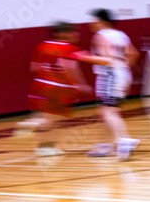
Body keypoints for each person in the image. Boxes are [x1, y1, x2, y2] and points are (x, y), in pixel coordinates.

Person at [18, 22, 109, 157]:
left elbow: (33, 67)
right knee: (50, 119)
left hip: (39, 85)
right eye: (73, 32)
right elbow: (69, 68)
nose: (76, 35)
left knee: (46, 117)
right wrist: (79, 84)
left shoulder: (42, 45)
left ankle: (45, 148)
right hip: (57, 87)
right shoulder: (69, 48)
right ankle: (30, 124)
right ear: (63, 33)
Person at [87, 9, 140, 161]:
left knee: (108, 112)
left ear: (102, 21)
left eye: (93, 20)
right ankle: (105, 146)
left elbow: (106, 60)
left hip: (110, 75)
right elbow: (133, 54)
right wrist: (123, 68)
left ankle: (124, 141)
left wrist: (83, 57)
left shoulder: (100, 36)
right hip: (122, 74)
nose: (91, 23)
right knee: (107, 112)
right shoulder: (121, 35)